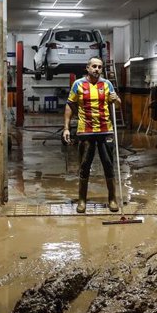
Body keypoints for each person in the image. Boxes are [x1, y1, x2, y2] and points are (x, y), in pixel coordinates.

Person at [63, 57, 122, 213]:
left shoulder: (107, 84)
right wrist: (66, 128)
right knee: (84, 166)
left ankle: (112, 199)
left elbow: (118, 104)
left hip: (105, 130)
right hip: (85, 132)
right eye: (94, 66)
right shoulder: (78, 84)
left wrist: (116, 100)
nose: (97, 69)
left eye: (100, 67)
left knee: (109, 165)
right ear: (87, 68)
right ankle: (82, 200)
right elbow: (70, 104)